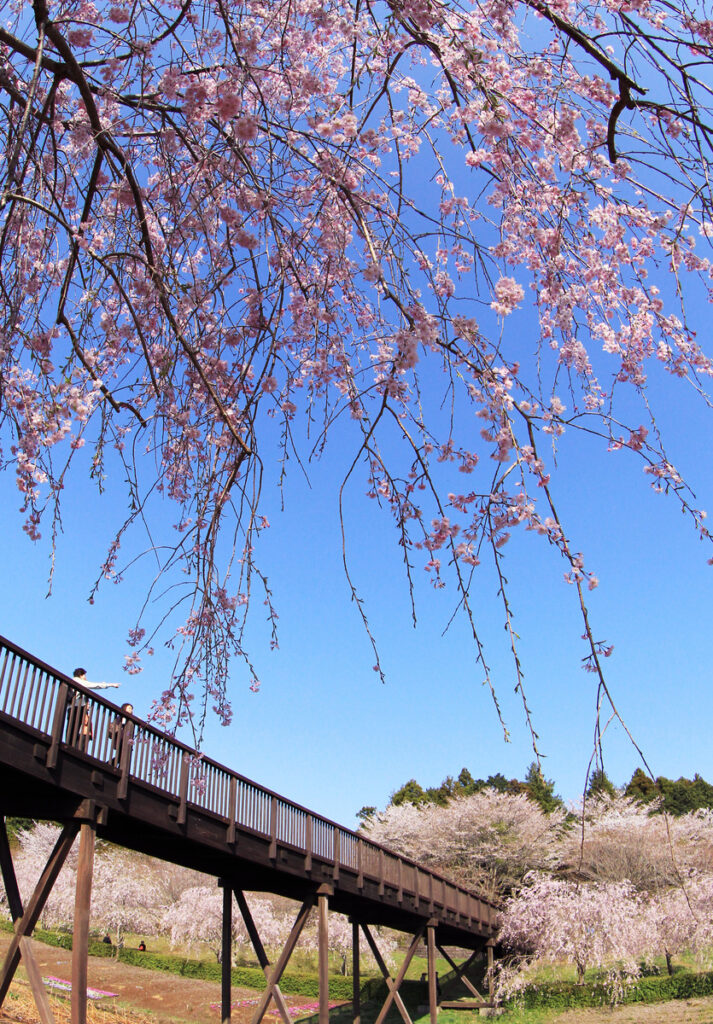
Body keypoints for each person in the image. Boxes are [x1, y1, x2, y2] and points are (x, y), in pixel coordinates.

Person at [67, 667, 120, 752]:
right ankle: (70, 746)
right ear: (81, 675)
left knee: (71, 727)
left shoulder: (72, 681)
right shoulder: (79, 681)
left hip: (71, 707)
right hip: (77, 707)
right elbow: (93, 685)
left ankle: (69, 744)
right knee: (74, 727)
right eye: (85, 675)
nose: (86, 678)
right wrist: (110, 685)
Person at [109, 703, 134, 768]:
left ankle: (114, 765)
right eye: (129, 708)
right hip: (120, 738)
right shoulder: (119, 718)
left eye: (131, 709)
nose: (130, 710)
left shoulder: (130, 721)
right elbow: (113, 727)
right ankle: (111, 764)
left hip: (126, 740)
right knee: (120, 755)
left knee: (124, 756)